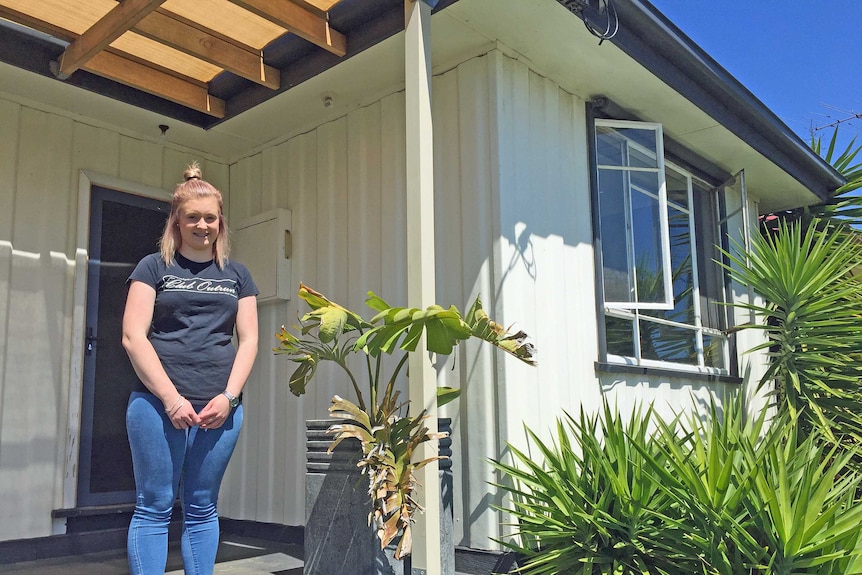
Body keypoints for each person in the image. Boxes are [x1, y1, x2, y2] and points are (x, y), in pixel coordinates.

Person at [121, 163, 259, 575]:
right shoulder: (152, 268)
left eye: (210, 218)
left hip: (221, 408)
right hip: (156, 405)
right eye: (192, 217)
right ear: (176, 222)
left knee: (202, 506)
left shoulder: (238, 276)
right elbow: (133, 336)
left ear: (221, 222)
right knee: (154, 505)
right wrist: (171, 399)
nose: (202, 225)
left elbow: (248, 339)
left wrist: (229, 397)